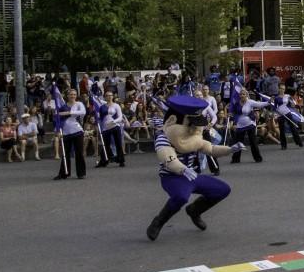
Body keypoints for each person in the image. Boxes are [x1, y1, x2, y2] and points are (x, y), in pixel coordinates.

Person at [146, 96, 243, 241]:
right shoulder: (164, 138)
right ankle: (159, 221)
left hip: (193, 176)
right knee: (181, 196)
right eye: (190, 126)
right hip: (173, 177)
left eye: (196, 127)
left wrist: (230, 150)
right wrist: (182, 169)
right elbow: (168, 158)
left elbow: (211, 149)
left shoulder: (194, 138)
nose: (194, 131)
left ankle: (194, 210)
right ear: (172, 122)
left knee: (222, 189)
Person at [53, 89, 87, 180]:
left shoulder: (79, 104)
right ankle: (64, 173)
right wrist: (58, 130)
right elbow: (57, 120)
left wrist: (69, 112)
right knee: (65, 153)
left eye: (74, 94)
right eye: (71, 94)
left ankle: (81, 173)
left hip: (77, 131)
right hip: (66, 133)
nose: (72, 96)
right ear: (67, 96)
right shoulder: (62, 106)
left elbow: (83, 112)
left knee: (79, 153)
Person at [230, 88, 269, 163]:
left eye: (243, 94)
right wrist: (231, 114)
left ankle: (258, 158)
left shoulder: (250, 102)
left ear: (246, 95)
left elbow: (260, 104)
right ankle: (235, 159)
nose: (242, 95)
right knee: (238, 142)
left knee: (253, 142)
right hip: (240, 125)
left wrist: (268, 102)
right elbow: (234, 113)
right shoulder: (236, 103)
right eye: (241, 94)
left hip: (250, 124)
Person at [97, 91, 126, 167]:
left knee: (118, 143)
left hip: (115, 126)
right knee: (105, 145)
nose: (109, 97)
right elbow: (100, 117)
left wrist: (114, 121)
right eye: (107, 95)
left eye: (110, 95)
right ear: (105, 97)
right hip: (106, 128)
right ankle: (104, 161)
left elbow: (120, 117)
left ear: (113, 96)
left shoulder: (116, 106)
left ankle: (121, 160)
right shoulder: (102, 107)